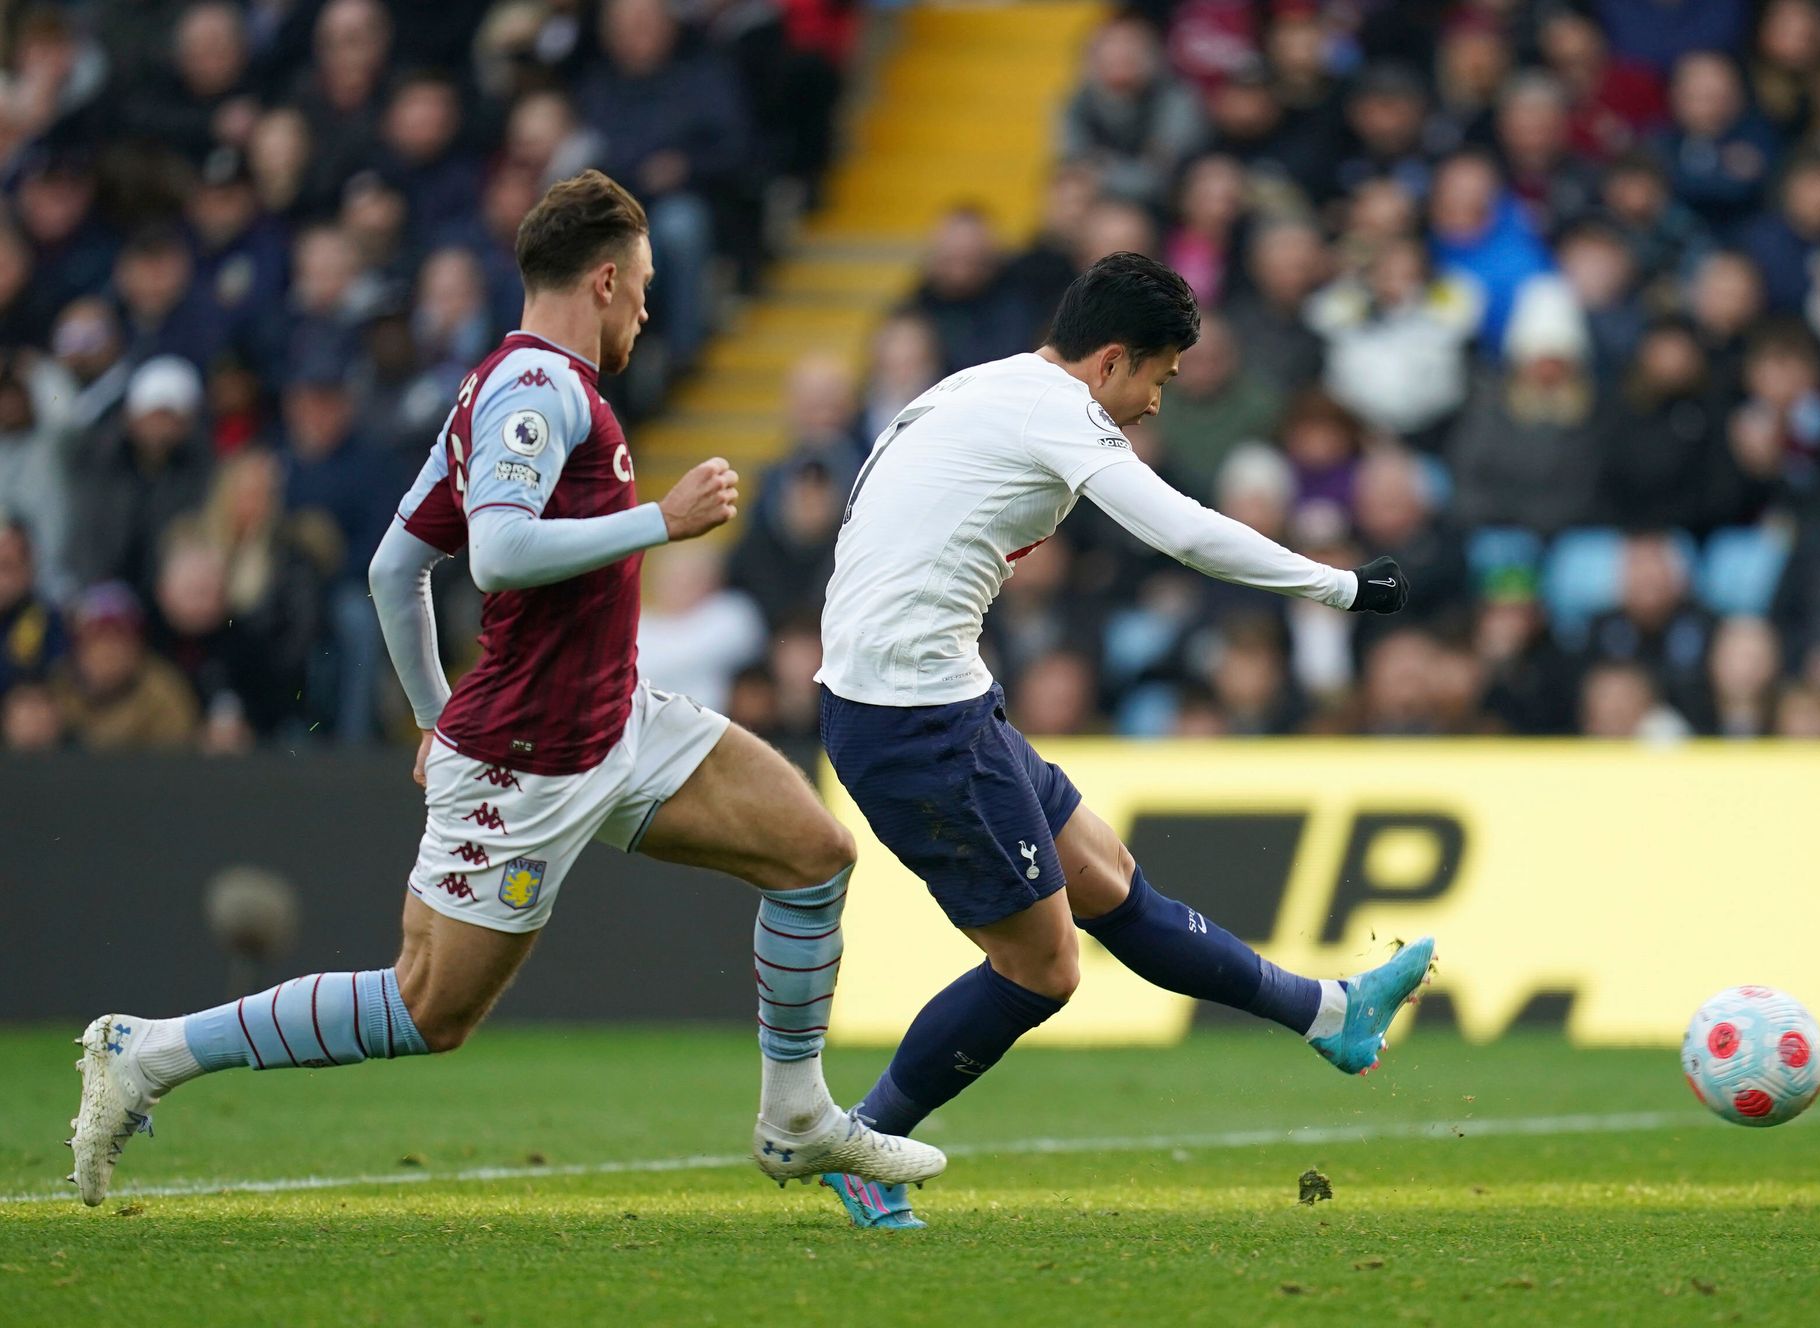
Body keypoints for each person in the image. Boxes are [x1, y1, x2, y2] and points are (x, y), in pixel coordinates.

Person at [64, 170, 943, 1209]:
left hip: (613, 718)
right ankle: (148, 1049)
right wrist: (662, 521)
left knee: (812, 852)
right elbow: (500, 552)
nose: (652, 307)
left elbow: (395, 567)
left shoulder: (497, 386)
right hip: (528, 756)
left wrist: (437, 715)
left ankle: (795, 1119)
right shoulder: (539, 391)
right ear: (606, 279)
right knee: (430, 1005)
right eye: (647, 285)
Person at [811, 253, 1433, 1230]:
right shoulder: (1056, 410)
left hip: (934, 696)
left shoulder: (983, 386)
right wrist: (1339, 585)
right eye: (1157, 377)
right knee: (1043, 967)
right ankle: (863, 1139)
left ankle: (1329, 1011)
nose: (1153, 404)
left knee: (1105, 875)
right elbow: (1179, 532)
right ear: (1109, 361)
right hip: (911, 717)